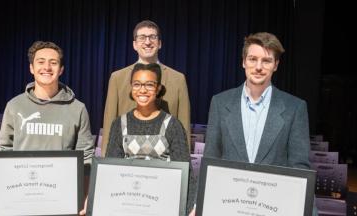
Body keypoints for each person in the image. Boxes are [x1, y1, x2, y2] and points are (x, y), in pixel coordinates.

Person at [192, 32, 316, 216]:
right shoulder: (220, 102)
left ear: (276, 65)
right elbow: (211, 158)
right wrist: (198, 204)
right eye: (253, 59)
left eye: (266, 61)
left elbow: (300, 168)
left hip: (273, 207)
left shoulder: (295, 108)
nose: (258, 67)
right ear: (243, 62)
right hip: (228, 204)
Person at [0, 41, 95, 215]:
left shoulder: (78, 109)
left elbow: (86, 158)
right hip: (20, 197)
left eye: (53, 62)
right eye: (40, 62)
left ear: (61, 69)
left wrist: (85, 197)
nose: (47, 67)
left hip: (61, 200)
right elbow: (3, 154)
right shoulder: (14, 106)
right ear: (31, 67)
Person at [80, 63, 194, 215]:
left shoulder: (172, 125)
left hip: (162, 205)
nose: (142, 90)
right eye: (137, 84)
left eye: (149, 84)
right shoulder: (119, 124)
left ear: (158, 88)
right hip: (127, 204)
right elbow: (111, 172)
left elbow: (186, 172)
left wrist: (190, 208)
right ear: (131, 87)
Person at [102, 20, 191, 157]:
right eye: (142, 37)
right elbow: (109, 127)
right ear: (134, 44)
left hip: (165, 165)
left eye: (152, 37)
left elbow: (184, 128)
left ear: (160, 43)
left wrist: (184, 170)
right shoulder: (117, 78)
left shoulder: (178, 79)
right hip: (126, 165)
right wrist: (105, 164)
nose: (148, 42)